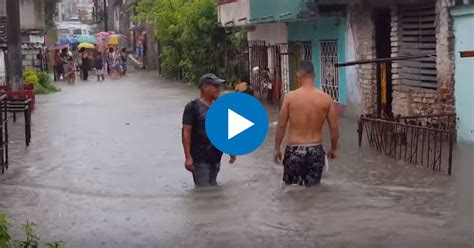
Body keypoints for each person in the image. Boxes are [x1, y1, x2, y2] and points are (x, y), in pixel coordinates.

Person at [274, 61, 339, 187]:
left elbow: (281, 125)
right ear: (314, 75)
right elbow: (334, 127)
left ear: (298, 75)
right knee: (313, 191)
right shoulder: (326, 98)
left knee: (291, 190)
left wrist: (277, 148)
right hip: (316, 150)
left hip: (294, 150)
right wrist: (334, 148)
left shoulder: (290, 97)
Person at [182, 73, 237, 187]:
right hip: (199, 158)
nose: (218, 89)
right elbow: (186, 133)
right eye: (215, 86)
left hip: (216, 157)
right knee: (204, 190)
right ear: (204, 87)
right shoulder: (192, 107)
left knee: (213, 187)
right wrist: (188, 157)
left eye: (219, 87)